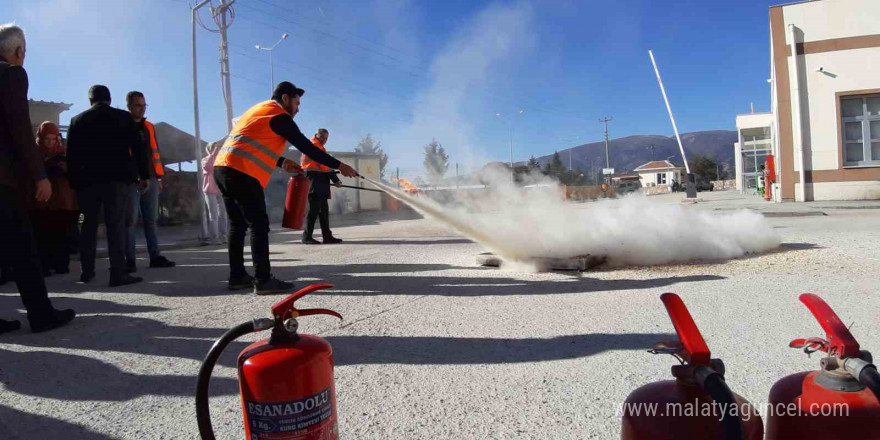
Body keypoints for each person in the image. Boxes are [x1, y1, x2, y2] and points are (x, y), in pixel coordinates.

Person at [213, 81, 357, 295]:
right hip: (242, 171)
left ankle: (237, 276)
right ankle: (263, 280)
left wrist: (281, 162)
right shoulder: (280, 116)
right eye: (297, 103)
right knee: (258, 224)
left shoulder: (259, 110)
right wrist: (339, 165)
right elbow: (305, 146)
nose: (298, 109)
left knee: (237, 225)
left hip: (223, 168)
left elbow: (250, 143)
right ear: (285, 98)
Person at [0, 23, 75, 333]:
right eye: (25, 53)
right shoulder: (11, 73)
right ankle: (41, 314)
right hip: (3, 179)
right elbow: (19, 126)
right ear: (18, 51)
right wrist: (38, 175)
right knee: (22, 247)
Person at [67, 85, 150, 287]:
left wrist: (74, 183)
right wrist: (144, 175)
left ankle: (87, 272)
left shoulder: (77, 120)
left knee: (87, 226)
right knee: (116, 227)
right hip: (117, 182)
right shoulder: (123, 117)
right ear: (110, 99)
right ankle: (117, 273)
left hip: (87, 184)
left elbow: (71, 155)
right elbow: (138, 148)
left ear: (90, 100)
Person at [124, 91, 175, 272]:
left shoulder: (149, 127)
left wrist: (158, 177)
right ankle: (129, 260)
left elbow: (155, 153)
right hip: (131, 180)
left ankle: (155, 256)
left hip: (152, 178)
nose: (142, 108)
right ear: (129, 106)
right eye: (138, 105)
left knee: (151, 220)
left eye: (144, 105)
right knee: (130, 221)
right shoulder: (123, 125)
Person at [30, 121, 79, 276]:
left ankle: (60, 265)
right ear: (41, 138)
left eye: (53, 139)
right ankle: (45, 265)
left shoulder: (62, 154)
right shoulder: (34, 154)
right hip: (42, 202)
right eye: (47, 139)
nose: (51, 143)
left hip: (61, 202)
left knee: (60, 234)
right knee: (43, 235)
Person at [301, 128, 342, 245]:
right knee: (314, 210)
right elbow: (325, 165)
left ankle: (327, 236)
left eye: (326, 138)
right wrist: (336, 180)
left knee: (323, 211)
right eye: (322, 137)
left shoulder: (319, 146)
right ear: (316, 135)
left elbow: (325, 166)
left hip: (320, 180)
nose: (324, 140)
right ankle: (307, 237)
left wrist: (334, 179)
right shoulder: (314, 145)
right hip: (315, 180)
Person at [201, 140, 227, 245]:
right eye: (214, 147)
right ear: (209, 149)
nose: (216, 149)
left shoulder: (222, 159)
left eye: (217, 148)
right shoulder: (205, 159)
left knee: (223, 214)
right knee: (213, 215)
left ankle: (224, 236)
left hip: (221, 189)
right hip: (209, 190)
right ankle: (215, 238)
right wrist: (213, 154)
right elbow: (209, 167)